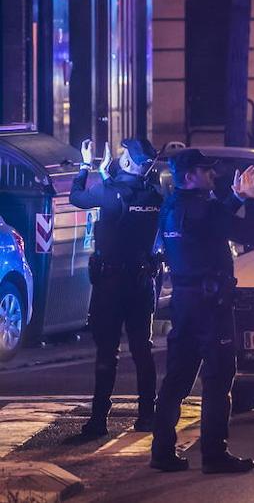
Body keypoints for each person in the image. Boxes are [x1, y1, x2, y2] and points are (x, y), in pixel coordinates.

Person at [150, 150, 254, 474]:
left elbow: (209, 224)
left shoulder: (170, 207)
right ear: (189, 176)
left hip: (183, 303)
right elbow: (250, 234)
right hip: (212, 305)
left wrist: (235, 197)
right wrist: (250, 199)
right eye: (205, 170)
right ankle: (214, 454)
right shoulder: (207, 209)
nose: (213, 175)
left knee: (177, 379)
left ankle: (161, 452)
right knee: (218, 379)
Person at [69, 138, 163, 438]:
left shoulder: (111, 192)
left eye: (123, 154)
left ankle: (99, 420)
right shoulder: (154, 196)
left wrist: (86, 166)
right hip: (141, 283)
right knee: (142, 350)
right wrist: (107, 175)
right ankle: (147, 414)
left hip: (111, 285)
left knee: (107, 353)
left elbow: (77, 197)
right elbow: (126, 198)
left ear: (126, 162)